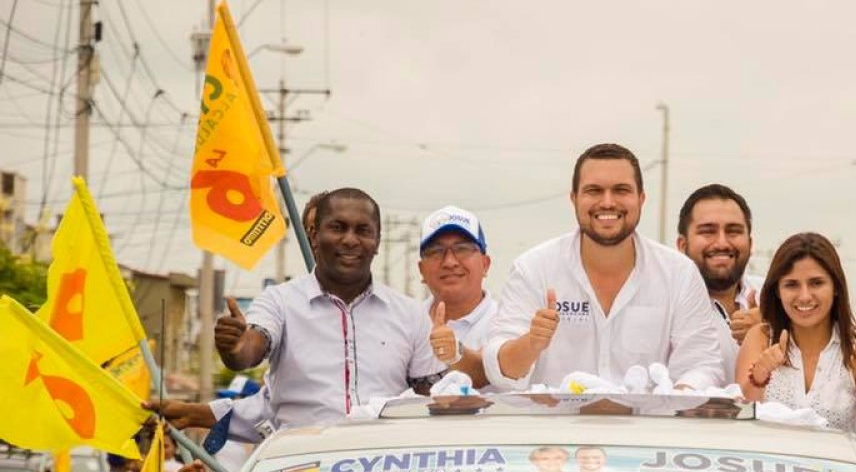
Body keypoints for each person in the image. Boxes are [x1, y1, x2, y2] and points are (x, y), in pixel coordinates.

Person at [147, 188, 445, 437]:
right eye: (338, 228)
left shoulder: (410, 314)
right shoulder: (279, 302)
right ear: (314, 236)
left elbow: (429, 401)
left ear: (377, 241)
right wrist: (235, 348)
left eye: (363, 230)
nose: (350, 240)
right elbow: (252, 345)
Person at [483, 143, 724, 391]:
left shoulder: (679, 274)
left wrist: (678, 396)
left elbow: (702, 365)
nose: (607, 202)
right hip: (554, 427)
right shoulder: (534, 269)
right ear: (574, 198)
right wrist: (531, 343)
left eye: (621, 190)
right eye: (594, 190)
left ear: (641, 198)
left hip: (649, 427)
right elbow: (500, 372)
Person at [736, 232, 856, 437]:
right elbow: (741, 420)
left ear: (835, 287)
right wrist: (758, 377)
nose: (805, 296)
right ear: (777, 290)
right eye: (792, 284)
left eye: (816, 283)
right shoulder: (760, 337)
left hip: (837, 468)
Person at [676, 184, 764, 382]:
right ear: (682, 245)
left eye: (733, 231)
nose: (722, 243)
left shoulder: (776, 296)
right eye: (708, 231)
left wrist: (769, 333)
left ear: (750, 244)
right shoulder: (664, 307)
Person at [419, 205, 496, 389]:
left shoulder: (507, 322)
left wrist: (455, 352)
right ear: (421, 270)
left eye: (462, 249)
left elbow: (499, 374)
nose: (450, 262)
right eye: (436, 251)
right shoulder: (408, 323)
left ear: (485, 265)